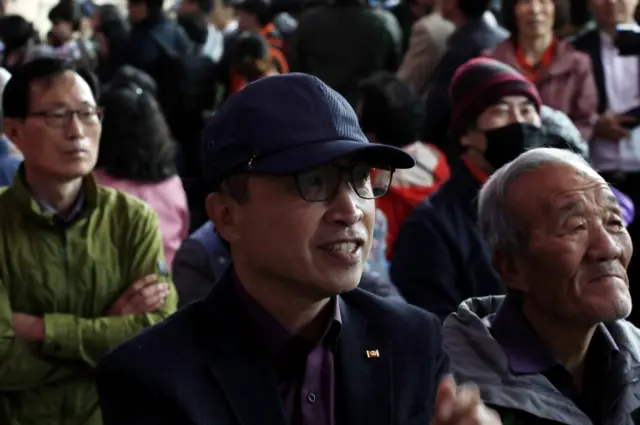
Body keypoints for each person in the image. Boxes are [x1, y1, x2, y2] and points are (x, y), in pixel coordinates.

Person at [96, 73, 501, 425]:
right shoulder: (153, 377)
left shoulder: (412, 341)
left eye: (361, 179)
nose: (351, 210)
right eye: (314, 182)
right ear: (227, 216)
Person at [0, 57, 177, 424]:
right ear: (13, 131)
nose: (77, 131)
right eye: (57, 115)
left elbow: (158, 335)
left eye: (87, 112)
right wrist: (107, 329)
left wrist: (40, 329)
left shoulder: (132, 219)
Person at [443, 148, 640, 424]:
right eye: (576, 226)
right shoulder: (450, 391)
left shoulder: (633, 358)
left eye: (614, 222)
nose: (609, 247)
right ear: (512, 267)